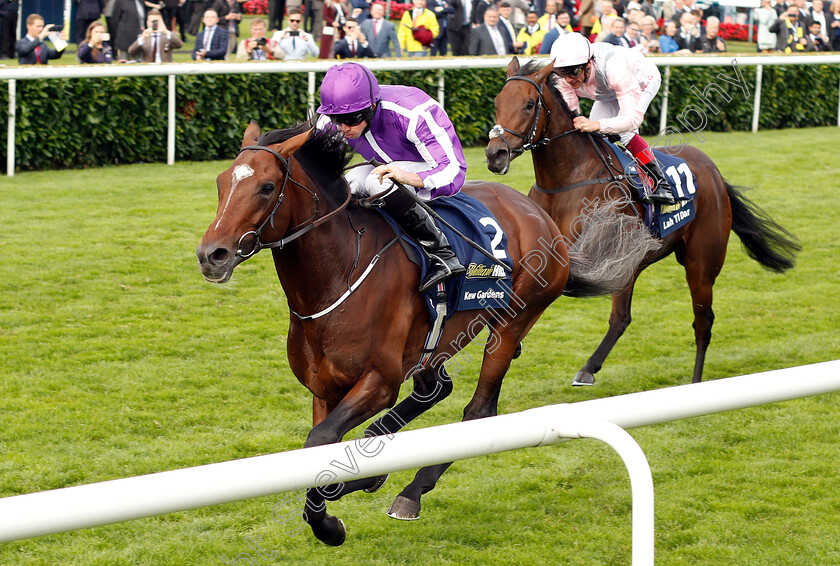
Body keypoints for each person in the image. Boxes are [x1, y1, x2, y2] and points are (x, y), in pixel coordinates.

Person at [317, 63, 467, 291]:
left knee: (378, 181)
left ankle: (442, 253)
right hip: (384, 166)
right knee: (350, 183)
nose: (343, 128)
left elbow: (454, 169)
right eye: (337, 119)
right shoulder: (333, 121)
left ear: (372, 107)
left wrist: (408, 176)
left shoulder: (412, 112)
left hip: (430, 167)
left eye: (352, 119)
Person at [550, 33, 675, 204]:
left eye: (575, 72)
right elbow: (572, 115)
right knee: (592, 136)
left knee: (625, 133)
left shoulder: (616, 68)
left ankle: (661, 184)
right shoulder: (563, 77)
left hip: (641, 82)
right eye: (563, 73)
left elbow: (632, 120)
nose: (569, 79)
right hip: (607, 92)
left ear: (589, 63)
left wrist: (598, 124)